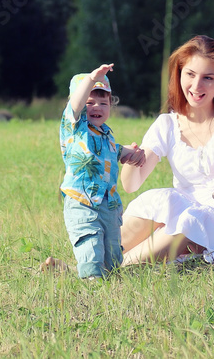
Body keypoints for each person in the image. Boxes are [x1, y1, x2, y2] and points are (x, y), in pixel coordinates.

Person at [119, 35, 214, 265]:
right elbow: (131, 185)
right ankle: (92, 264)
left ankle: (110, 270)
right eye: (190, 75)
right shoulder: (167, 124)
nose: (196, 86)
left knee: (191, 220)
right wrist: (129, 158)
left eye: (208, 78)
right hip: (182, 205)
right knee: (158, 200)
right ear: (180, 73)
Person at [48, 63, 146, 279]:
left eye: (104, 102)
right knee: (90, 244)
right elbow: (76, 103)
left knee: (112, 256)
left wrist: (127, 152)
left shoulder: (106, 134)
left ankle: (69, 271)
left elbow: (111, 153)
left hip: (108, 205)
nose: (97, 107)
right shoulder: (74, 126)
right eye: (90, 102)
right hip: (82, 202)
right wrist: (92, 78)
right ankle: (92, 284)